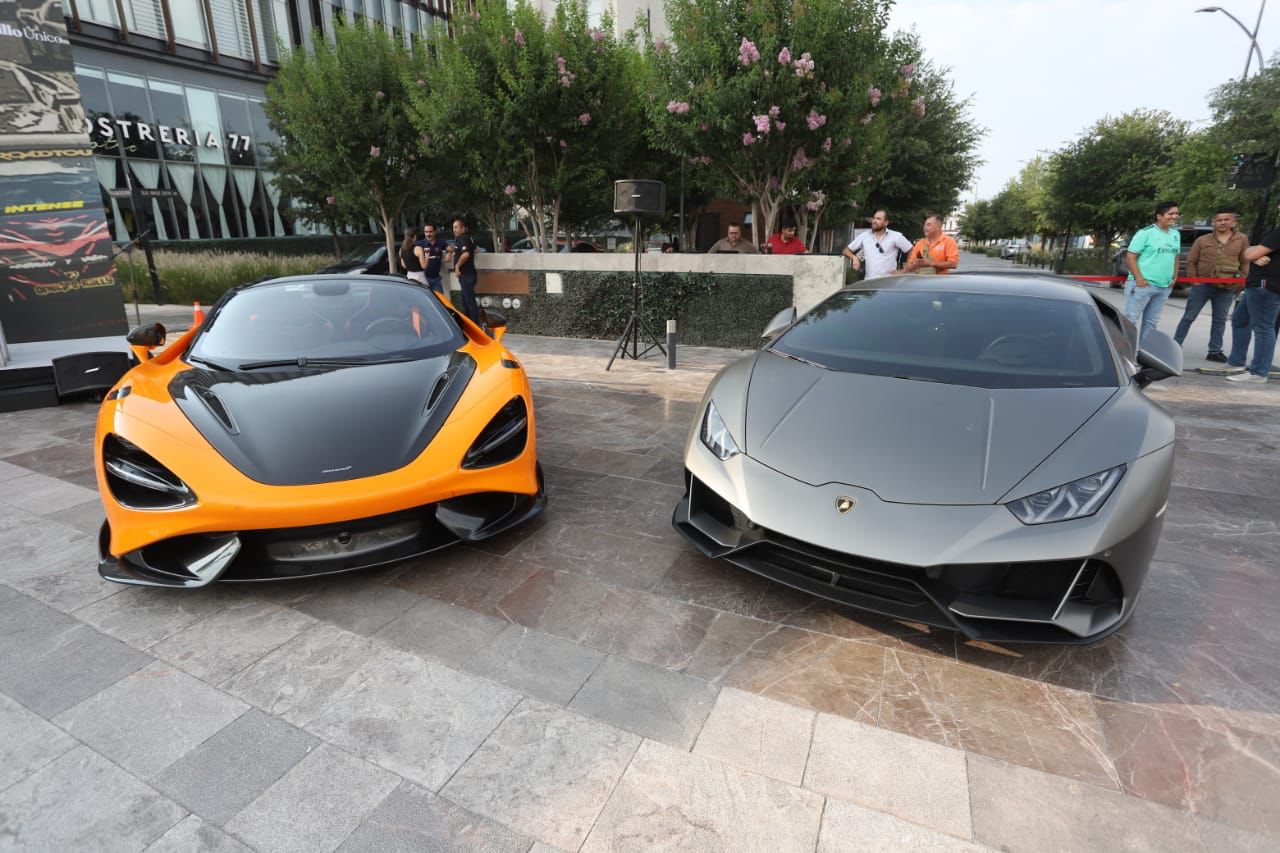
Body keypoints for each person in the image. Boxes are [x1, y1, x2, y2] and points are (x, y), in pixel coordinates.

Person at [1173, 209, 1247, 362]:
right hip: (1203, 285)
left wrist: (1242, 280)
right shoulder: (1202, 240)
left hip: (1227, 287)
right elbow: (1191, 261)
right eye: (1219, 220)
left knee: (1220, 320)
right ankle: (1174, 346)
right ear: (1214, 222)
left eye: (1226, 219)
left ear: (1233, 222)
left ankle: (1214, 351)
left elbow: (1245, 261)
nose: (1222, 222)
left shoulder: (1242, 239)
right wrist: (1194, 280)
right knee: (1189, 317)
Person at [1225, 212, 1280, 384]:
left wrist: (1253, 254)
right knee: (1240, 320)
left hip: (1266, 285)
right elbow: (1249, 251)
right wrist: (1254, 253)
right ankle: (1237, 361)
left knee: (1263, 328)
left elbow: (1248, 255)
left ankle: (1258, 372)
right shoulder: (1274, 230)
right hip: (1257, 284)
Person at [1123, 201, 1181, 348]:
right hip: (1143, 285)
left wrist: (1174, 277)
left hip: (1163, 287)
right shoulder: (1145, 233)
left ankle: (1144, 354)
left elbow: (1175, 257)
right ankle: (1125, 355)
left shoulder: (1175, 234)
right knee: (1130, 321)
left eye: (1176, 213)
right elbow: (1130, 257)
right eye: (1170, 214)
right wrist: (1139, 279)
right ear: (1159, 216)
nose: (1175, 216)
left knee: (1151, 323)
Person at [843, 209, 913, 278]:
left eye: (878, 219)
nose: (874, 221)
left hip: (889, 281)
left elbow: (912, 250)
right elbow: (846, 251)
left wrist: (904, 271)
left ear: (886, 223)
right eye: (874, 218)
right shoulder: (864, 236)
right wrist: (854, 257)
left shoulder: (896, 236)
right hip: (870, 281)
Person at [446, 216, 480, 323]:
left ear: (463, 228)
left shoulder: (463, 238)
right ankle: (469, 324)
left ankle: (475, 325)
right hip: (469, 274)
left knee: (469, 303)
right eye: (453, 227)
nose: (454, 230)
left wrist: (457, 266)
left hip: (466, 275)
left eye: (456, 227)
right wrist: (451, 253)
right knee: (466, 302)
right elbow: (474, 249)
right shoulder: (467, 238)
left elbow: (466, 254)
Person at [415, 224, 448, 296]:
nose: (428, 234)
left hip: (436, 279)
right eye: (426, 232)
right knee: (423, 300)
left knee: (440, 299)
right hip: (422, 279)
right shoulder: (419, 244)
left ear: (435, 232)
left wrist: (450, 254)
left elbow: (451, 248)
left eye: (430, 231)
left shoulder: (441, 243)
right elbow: (405, 249)